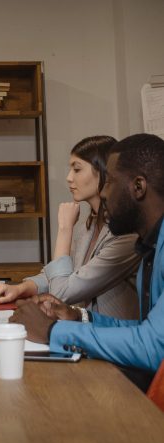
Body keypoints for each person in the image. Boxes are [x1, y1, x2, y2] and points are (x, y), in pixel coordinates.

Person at [11, 133, 164, 384]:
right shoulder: (149, 244)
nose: (103, 193)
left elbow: (152, 348)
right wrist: (77, 317)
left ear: (138, 187)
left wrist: (52, 331)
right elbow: (143, 330)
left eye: (110, 182)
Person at [0, 136, 140, 319]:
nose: (69, 178)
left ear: (104, 172)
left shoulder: (124, 235)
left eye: (77, 169)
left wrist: (64, 229)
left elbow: (61, 293)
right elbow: (60, 274)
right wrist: (20, 289)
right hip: (83, 332)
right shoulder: (91, 223)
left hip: (110, 339)